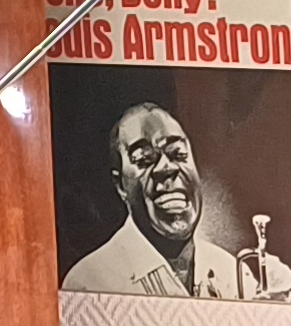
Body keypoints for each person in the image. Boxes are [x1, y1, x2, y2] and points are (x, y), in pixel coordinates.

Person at [63, 103, 253, 297]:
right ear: (121, 186)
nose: (166, 168)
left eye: (178, 153)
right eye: (143, 159)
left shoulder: (231, 272)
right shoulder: (89, 282)